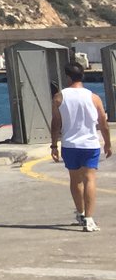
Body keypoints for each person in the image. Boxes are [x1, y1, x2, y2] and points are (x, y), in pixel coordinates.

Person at [51, 64, 111, 232]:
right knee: (89, 179)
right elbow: (103, 123)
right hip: (90, 144)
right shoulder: (94, 97)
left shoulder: (59, 97)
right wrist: (107, 143)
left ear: (68, 77)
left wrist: (54, 145)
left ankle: (81, 213)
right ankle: (89, 220)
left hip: (70, 144)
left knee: (75, 179)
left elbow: (56, 123)